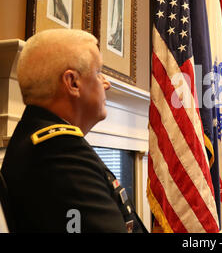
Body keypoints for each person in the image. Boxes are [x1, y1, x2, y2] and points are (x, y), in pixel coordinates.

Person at [1, 29, 147, 233]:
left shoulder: (49, 143)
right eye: (98, 72)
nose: (106, 83)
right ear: (73, 83)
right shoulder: (57, 152)